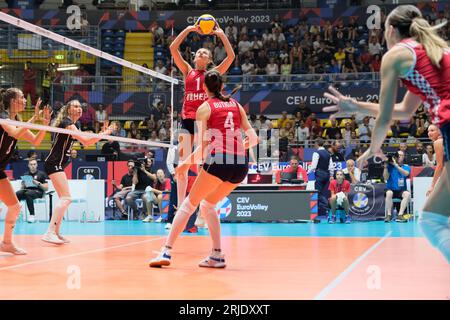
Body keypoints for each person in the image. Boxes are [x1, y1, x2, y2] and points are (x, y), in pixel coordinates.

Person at [323, 5, 449, 262]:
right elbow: (403, 111)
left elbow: (385, 118)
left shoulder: (396, 55)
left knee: (433, 222)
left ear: (390, 30)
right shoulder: (434, 53)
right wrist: (355, 105)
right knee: (432, 220)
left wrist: (373, 148)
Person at [149, 70, 258, 268]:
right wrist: (239, 148)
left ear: (204, 87)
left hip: (219, 160)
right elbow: (255, 139)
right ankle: (217, 255)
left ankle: (166, 251)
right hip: (240, 165)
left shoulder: (205, 108)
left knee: (188, 205)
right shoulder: (236, 105)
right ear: (222, 86)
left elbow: (203, 146)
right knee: (208, 206)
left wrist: (184, 164)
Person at [169, 21, 235, 218]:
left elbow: (231, 57)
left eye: (205, 53)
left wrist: (222, 35)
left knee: (200, 167)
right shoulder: (188, 71)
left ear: (210, 59)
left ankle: (198, 211)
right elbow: (173, 48)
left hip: (204, 124)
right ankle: (181, 210)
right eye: (198, 52)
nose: (201, 54)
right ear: (194, 57)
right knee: (183, 165)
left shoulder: (212, 76)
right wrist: (189, 29)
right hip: (187, 121)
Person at [42, 100, 115, 244]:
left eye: (80, 107)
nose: (79, 109)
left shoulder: (73, 124)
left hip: (57, 164)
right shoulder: (66, 122)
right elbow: (86, 142)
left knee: (64, 198)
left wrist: (101, 133)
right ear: (68, 109)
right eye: (75, 106)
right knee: (66, 198)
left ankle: (56, 232)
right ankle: (49, 232)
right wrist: (106, 133)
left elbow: (87, 140)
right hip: (53, 163)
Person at [0, 89, 51, 255]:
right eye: (21, 97)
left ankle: (6, 242)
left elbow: (36, 140)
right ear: (13, 101)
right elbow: (14, 132)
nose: (24, 100)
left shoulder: (18, 120)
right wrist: (34, 118)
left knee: (14, 207)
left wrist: (43, 125)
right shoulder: (3, 117)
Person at [16, 159, 49, 223]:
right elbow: (22, 188)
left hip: (39, 192)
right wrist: (23, 185)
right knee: (17, 193)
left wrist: (38, 183)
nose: (33, 166)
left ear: (37, 165)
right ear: (28, 165)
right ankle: (18, 213)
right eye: (31, 164)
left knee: (28, 194)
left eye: (34, 164)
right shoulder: (26, 174)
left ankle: (32, 215)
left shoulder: (42, 174)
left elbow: (46, 188)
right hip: (28, 190)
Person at [307, 138, 334, 217]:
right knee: (322, 193)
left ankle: (329, 209)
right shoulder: (328, 153)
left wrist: (308, 172)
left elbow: (313, 166)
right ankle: (318, 212)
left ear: (317, 144)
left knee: (318, 193)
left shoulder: (316, 153)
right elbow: (331, 166)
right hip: (327, 174)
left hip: (320, 174)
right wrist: (331, 175)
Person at [384, 151, 411, 223]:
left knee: (407, 194)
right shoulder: (390, 166)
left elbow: (406, 174)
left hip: (401, 191)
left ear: (404, 157)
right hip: (391, 189)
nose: (399, 156)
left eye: (401, 155)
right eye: (398, 155)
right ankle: (389, 215)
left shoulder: (406, 166)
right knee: (389, 193)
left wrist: (396, 165)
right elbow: (385, 178)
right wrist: (385, 168)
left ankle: (400, 215)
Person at [426, 124, 444, 196]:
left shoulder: (438, 142)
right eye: (428, 131)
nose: (429, 133)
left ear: (439, 131)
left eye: (432, 130)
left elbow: (440, 165)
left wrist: (432, 186)